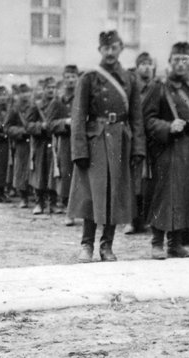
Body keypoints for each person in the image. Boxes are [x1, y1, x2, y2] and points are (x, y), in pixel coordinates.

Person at [67, 30, 145, 263]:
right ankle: (87, 245)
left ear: (121, 48)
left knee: (115, 194)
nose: (110, 52)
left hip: (121, 141)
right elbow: (79, 115)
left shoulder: (130, 79)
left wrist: (139, 148)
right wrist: (79, 150)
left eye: (114, 48)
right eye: (105, 48)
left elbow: (137, 118)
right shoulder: (89, 77)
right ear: (99, 50)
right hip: (96, 142)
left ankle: (107, 246)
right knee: (92, 195)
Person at [142, 41, 189, 260]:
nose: (181, 65)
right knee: (164, 196)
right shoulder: (159, 86)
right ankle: (157, 242)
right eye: (176, 60)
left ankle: (176, 244)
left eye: (185, 60)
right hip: (168, 149)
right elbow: (148, 119)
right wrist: (167, 127)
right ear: (169, 62)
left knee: (185, 195)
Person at [125, 52, 156, 235]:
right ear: (137, 67)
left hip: (152, 139)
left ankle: (145, 219)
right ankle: (130, 220)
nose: (146, 67)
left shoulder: (157, 87)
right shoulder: (132, 86)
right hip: (135, 138)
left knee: (149, 182)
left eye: (149, 63)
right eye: (142, 63)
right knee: (133, 181)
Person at [46, 65, 78, 226]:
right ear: (64, 79)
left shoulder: (82, 97)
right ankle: (68, 211)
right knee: (67, 175)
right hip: (65, 142)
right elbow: (49, 124)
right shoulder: (58, 101)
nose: (71, 80)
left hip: (82, 141)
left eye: (73, 76)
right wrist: (64, 123)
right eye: (68, 77)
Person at [27, 77, 58, 215]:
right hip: (40, 143)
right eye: (48, 88)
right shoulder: (37, 106)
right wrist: (41, 126)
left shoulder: (58, 105)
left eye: (53, 87)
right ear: (44, 89)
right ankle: (39, 202)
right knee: (39, 173)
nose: (51, 90)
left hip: (55, 142)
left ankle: (53, 203)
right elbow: (28, 125)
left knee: (54, 173)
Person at [5, 84, 34, 208]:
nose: (26, 95)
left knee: (35, 170)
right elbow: (6, 127)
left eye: (27, 92)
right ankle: (23, 197)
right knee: (21, 170)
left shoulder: (35, 107)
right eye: (23, 93)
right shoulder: (15, 109)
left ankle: (38, 197)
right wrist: (21, 131)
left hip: (35, 142)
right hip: (22, 144)